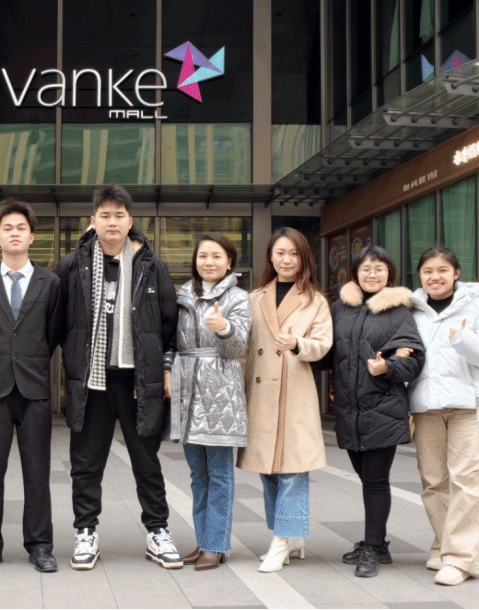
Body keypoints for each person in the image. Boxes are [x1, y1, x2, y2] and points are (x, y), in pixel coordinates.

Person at [55, 184, 180, 571]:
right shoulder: (71, 266)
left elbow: (169, 325)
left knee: (146, 461)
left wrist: (165, 368)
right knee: (86, 463)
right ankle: (85, 532)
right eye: (105, 215)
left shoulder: (152, 266)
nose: (112, 222)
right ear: (92, 220)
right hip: (90, 382)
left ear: (131, 221)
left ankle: (158, 531)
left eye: (119, 215)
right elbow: (57, 323)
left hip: (137, 381)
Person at [0, 199, 63, 573]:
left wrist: (28, 358)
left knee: (37, 472)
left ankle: (40, 546)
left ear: (31, 236)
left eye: (21, 228)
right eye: (6, 228)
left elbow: (52, 334)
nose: (14, 233)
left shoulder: (50, 283)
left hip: (34, 388)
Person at [323, 245, 424, 577]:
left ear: (389, 274)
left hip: (383, 407)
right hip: (349, 410)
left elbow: (414, 359)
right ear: (355, 273)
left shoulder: (399, 312)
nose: (372, 274)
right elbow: (327, 352)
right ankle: (378, 545)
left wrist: (388, 367)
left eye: (379, 268)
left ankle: (372, 546)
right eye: (366, 268)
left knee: (376, 481)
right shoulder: (340, 308)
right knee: (366, 478)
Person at [236, 227, 332, 572]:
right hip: (261, 393)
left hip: (294, 393)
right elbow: (244, 350)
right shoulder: (254, 297)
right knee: (268, 470)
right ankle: (291, 536)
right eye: (280, 253)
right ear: (271, 257)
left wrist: (297, 344)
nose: (286, 260)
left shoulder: (315, 300)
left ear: (303, 258)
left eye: (293, 253)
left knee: (292, 469)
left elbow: (323, 343)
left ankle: (281, 540)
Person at [409, 247, 479, 586]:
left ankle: (460, 558)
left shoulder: (477, 308)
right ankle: (443, 544)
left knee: (466, 481)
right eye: (428, 271)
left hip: (468, 406)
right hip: (427, 406)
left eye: (442, 270)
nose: (435, 277)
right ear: (420, 276)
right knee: (434, 481)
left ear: (456, 273)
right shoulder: (413, 311)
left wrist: (463, 339)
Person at [164, 233, 251, 571]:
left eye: (217, 256)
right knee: (197, 475)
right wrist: (168, 371)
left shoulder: (238, 298)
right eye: (203, 256)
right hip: (187, 391)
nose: (209, 262)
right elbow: (170, 342)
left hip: (220, 393)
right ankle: (203, 542)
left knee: (219, 475)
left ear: (230, 262)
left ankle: (216, 544)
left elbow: (237, 347)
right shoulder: (183, 295)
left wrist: (224, 327)